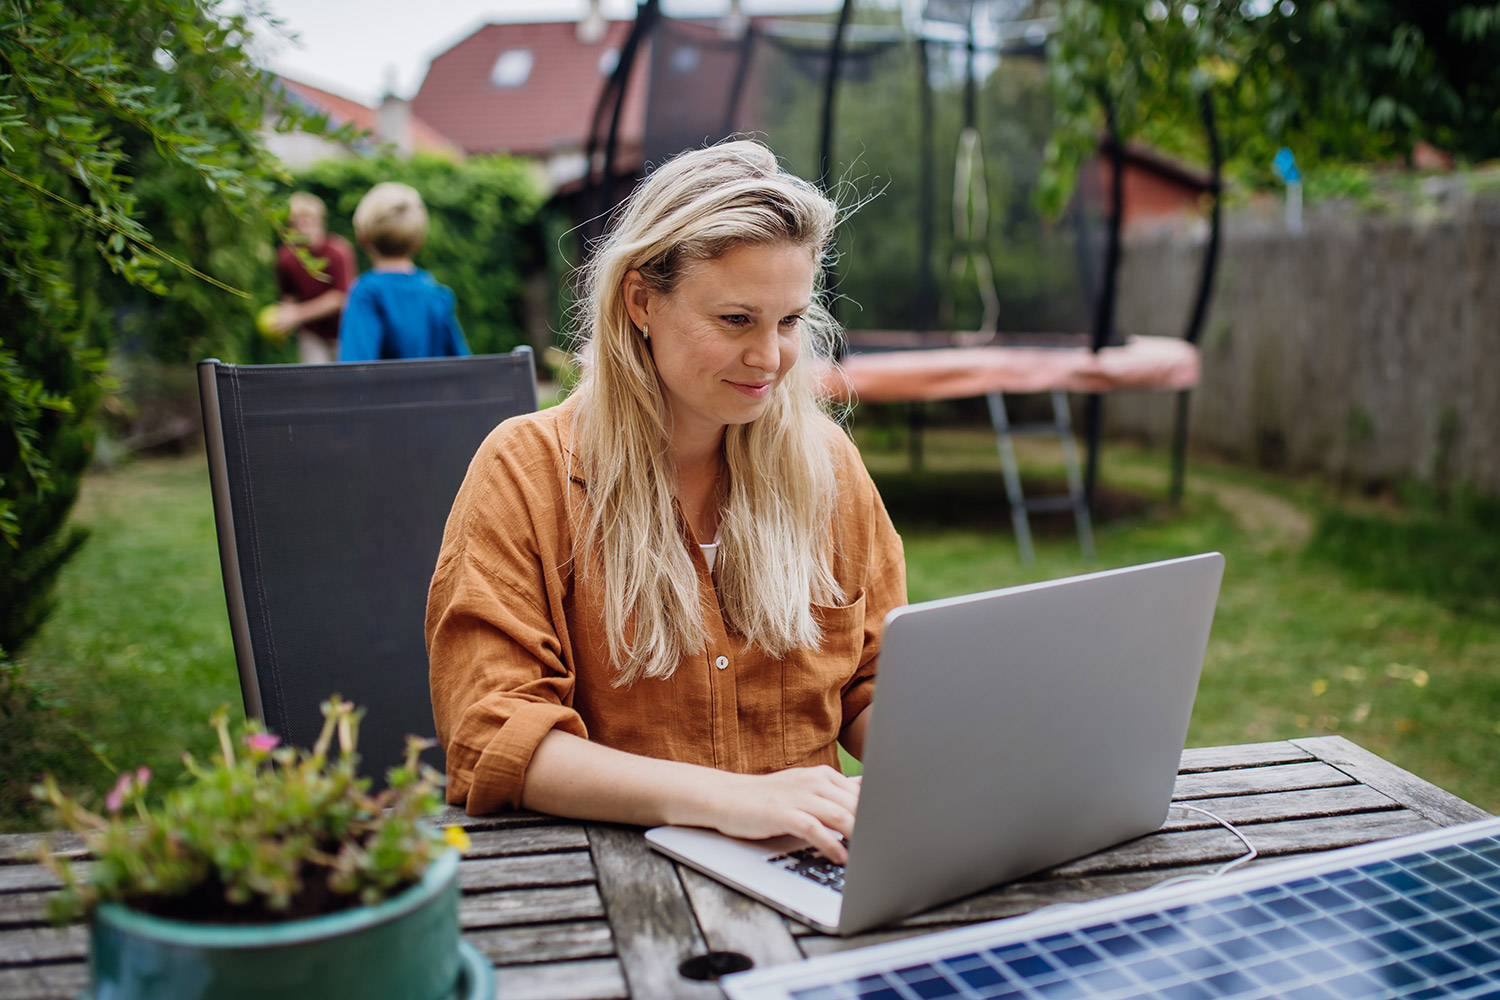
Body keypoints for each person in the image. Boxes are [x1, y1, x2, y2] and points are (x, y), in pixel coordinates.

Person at [426, 140, 906, 864]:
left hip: (815, 863)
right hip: (612, 878)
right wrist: (731, 799)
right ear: (642, 301)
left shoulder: (828, 468)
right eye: (737, 320)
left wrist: (962, 751)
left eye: (788, 322)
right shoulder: (528, 472)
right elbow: (494, 735)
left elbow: (870, 684)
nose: (771, 358)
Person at [337, 182, 470, 362]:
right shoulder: (437, 295)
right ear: (419, 240)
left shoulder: (366, 294)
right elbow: (464, 366)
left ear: (363, 238)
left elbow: (354, 369)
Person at [271, 192, 356, 363]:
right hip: (312, 335)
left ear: (321, 222)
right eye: (297, 223)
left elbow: (340, 298)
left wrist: (297, 315)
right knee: (315, 384)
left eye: (309, 221)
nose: (303, 228)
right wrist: (283, 319)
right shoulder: (285, 256)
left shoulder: (338, 251)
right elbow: (289, 295)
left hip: (343, 331)